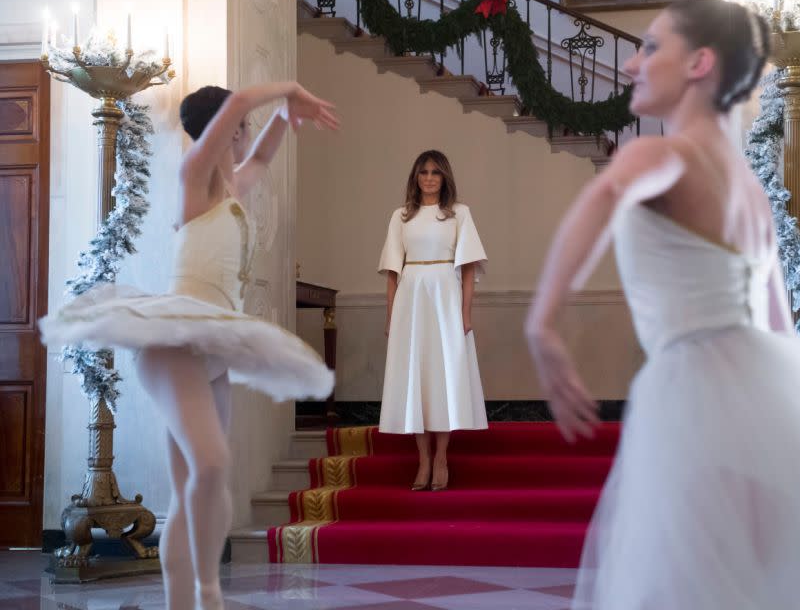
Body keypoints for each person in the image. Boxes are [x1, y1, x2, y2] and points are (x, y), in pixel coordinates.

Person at [525, 0, 800, 609]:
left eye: (650, 47)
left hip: (692, 392)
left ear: (700, 62)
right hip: (763, 394)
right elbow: (778, 329)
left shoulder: (657, 156)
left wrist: (542, 324)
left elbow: (602, 201)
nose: (630, 64)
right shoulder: (749, 190)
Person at [40, 82, 339, 610]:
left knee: (197, 486)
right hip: (178, 341)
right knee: (213, 464)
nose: (247, 138)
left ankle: (198, 594)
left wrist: (284, 117)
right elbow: (242, 105)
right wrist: (290, 90)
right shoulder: (194, 175)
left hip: (215, 344)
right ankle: (202, 593)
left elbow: (264, 151)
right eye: (240, 128)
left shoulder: (231, 186)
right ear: (228, 127)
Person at [378, 150, 488, 492]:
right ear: (415, 177)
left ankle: (441, 456)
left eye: (435, 172)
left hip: (445, 298)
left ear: (444, 178)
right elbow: (393, 273)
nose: (428, 177)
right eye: (423, 172)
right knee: (417, 378)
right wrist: (391, 316)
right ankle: (422, 459)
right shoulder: (401, 216)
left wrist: (465, 314)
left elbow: (468, 267)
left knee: (442, 378)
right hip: (411, 299)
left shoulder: (458, 214)